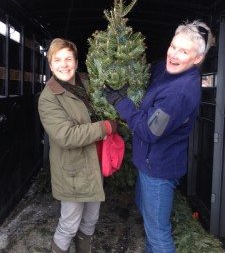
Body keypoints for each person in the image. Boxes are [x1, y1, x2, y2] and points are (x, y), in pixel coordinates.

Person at [103, 20, 214, 253]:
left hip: (159, 171)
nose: (173, 55)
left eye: (184, 51)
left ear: (197, 59)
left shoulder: (179, 94)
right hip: (150, 165)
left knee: (158, 234)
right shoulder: (167, 69)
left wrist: (120, 102)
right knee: (147, 217)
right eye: (173, 46)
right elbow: (152, 70)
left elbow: (148, 131)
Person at [38, 38, 117, 253]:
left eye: (68, 59)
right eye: (58, 60)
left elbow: (106, 101)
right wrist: (105, 127)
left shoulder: (86, 83)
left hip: (93, 163)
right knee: (69, 224)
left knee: (91, 219)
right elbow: (66, 135)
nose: (64, 65)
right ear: (50, 64)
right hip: (72, 170)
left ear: (76, 61)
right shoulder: (49, 98)